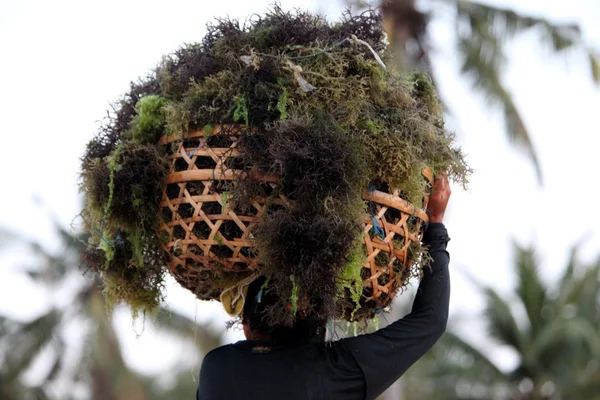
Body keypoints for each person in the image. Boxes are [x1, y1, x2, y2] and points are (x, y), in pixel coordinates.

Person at [196, 174, 452, 400]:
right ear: (318, 323)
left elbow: (430, 322)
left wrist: (436, 227)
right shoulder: (332, 372)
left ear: (247, 326)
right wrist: (436, 224)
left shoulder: (216, 370)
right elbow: (430, 322)